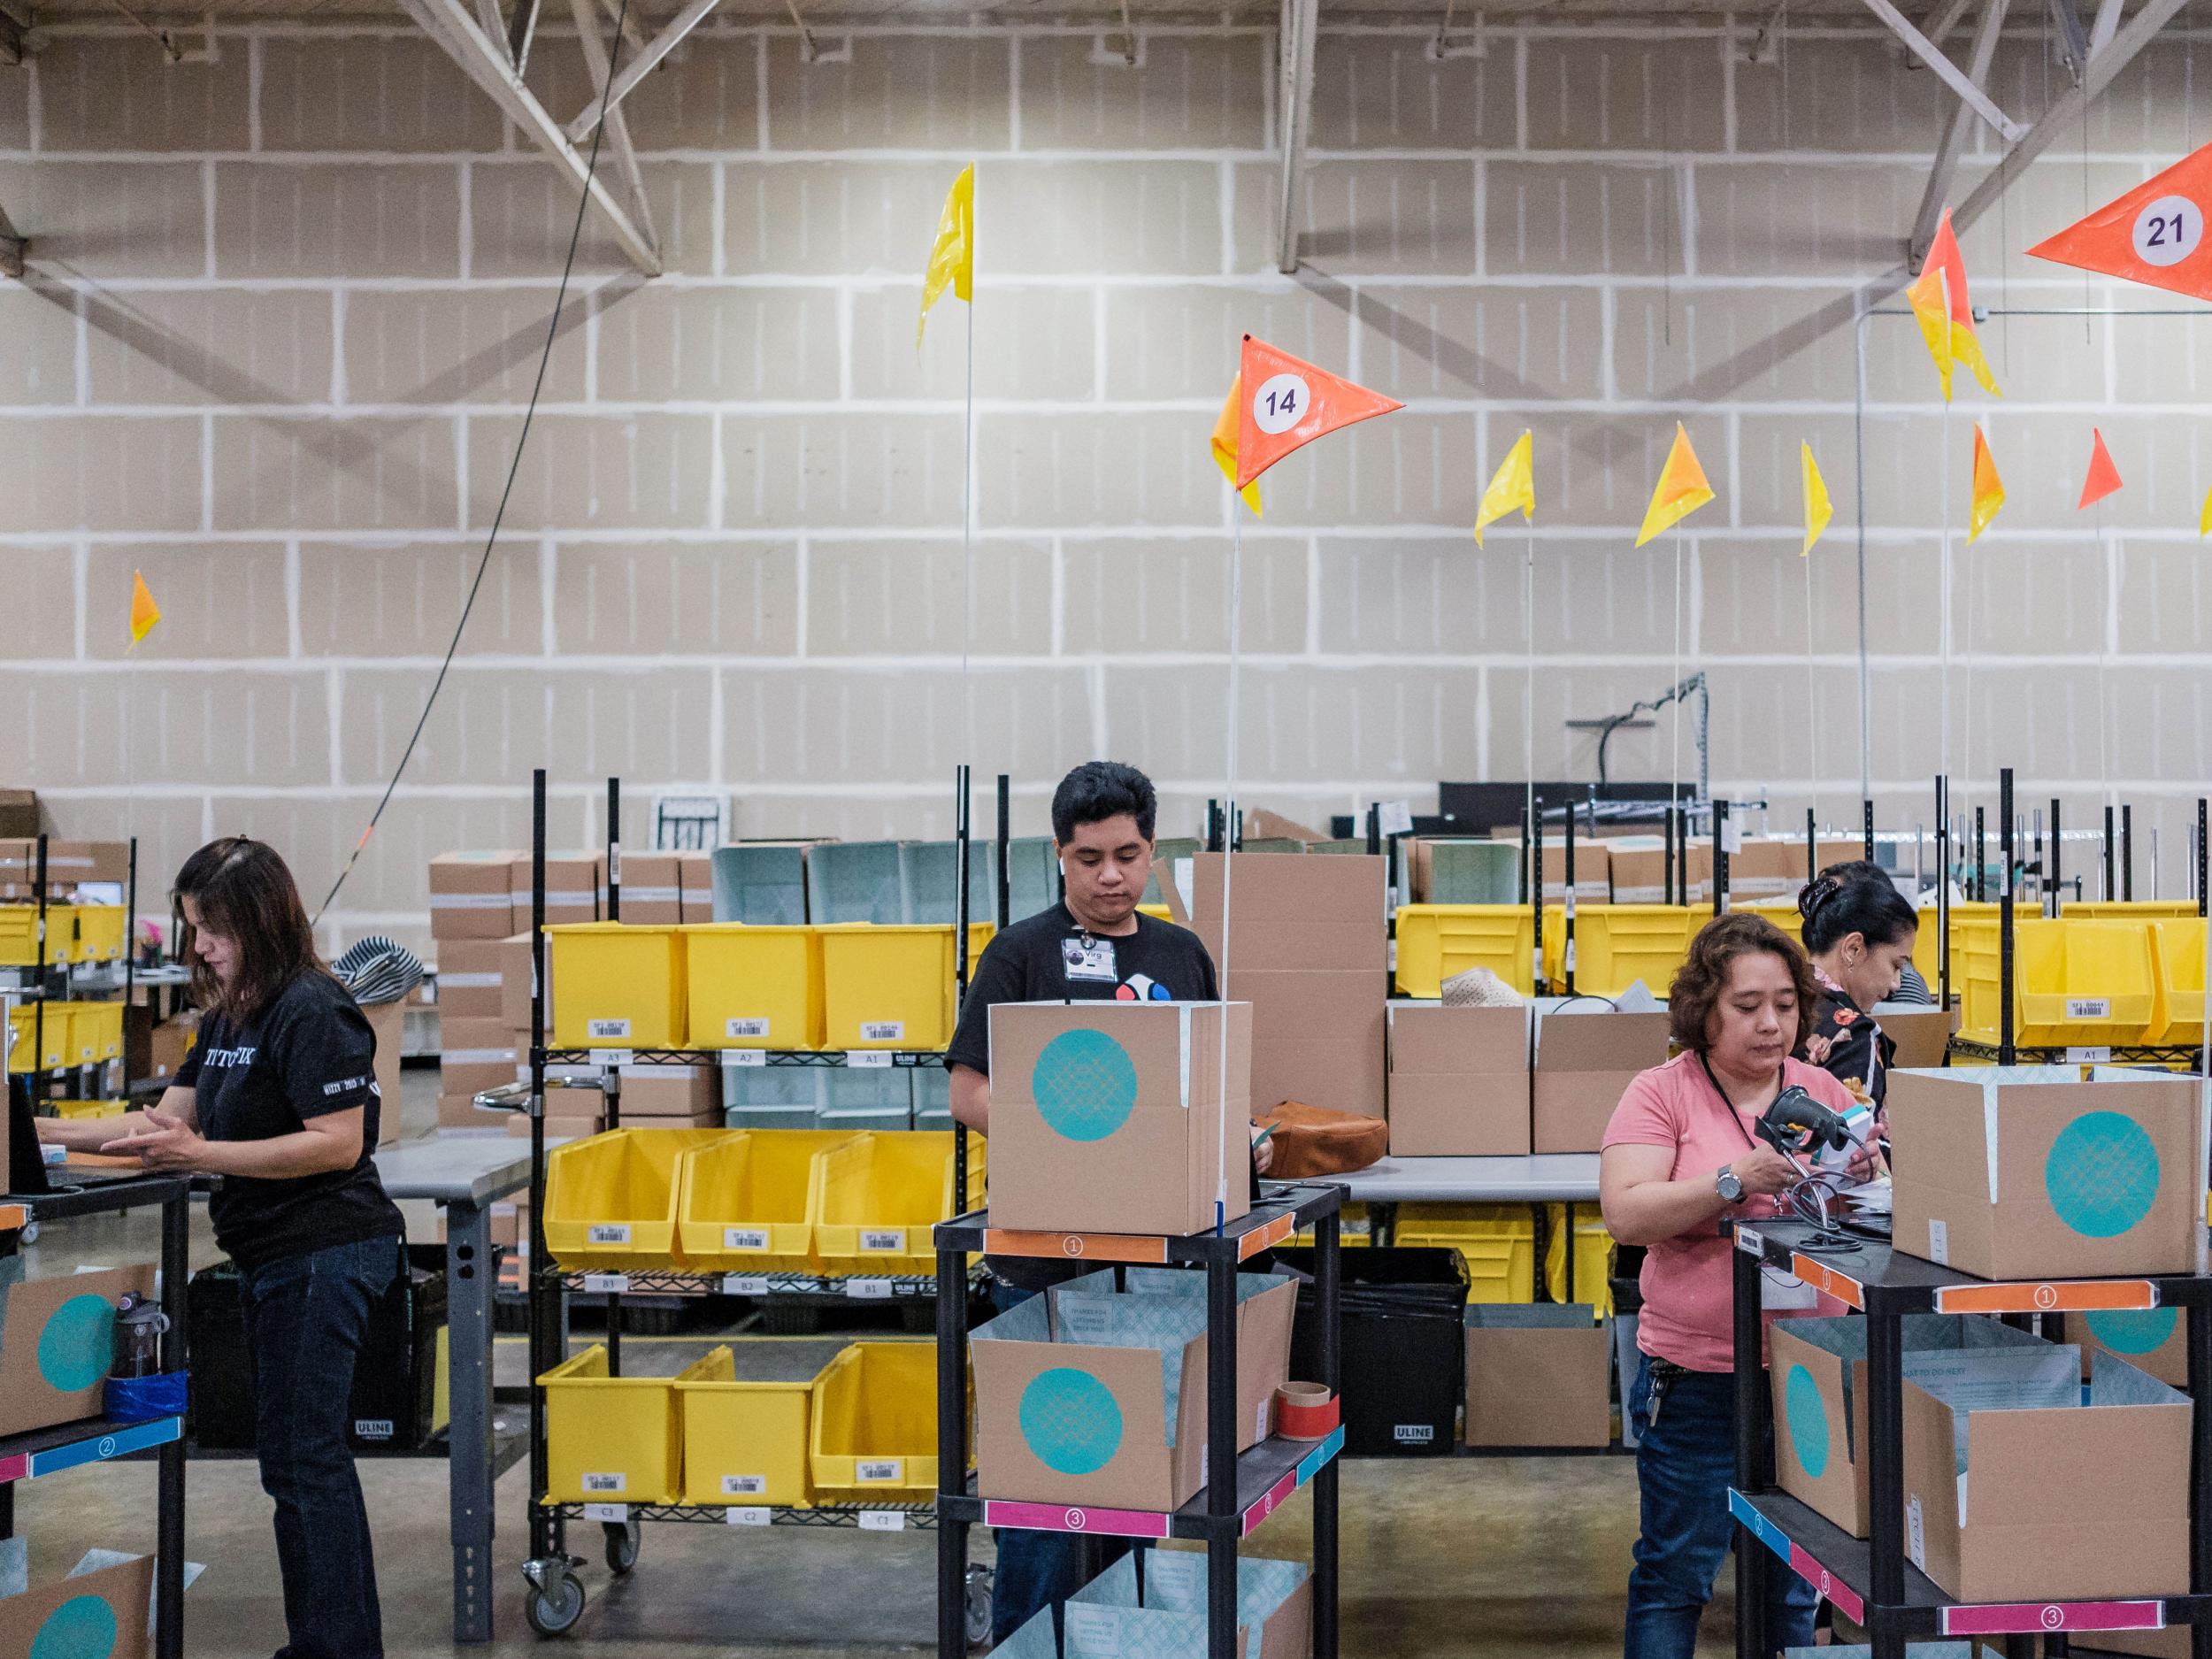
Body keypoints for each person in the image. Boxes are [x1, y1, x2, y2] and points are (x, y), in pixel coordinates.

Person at [42, 838, 404, 1659]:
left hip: (326, 1250)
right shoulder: (229, 1016)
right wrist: (39, 1131)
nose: (199, 945)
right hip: (274, 1256)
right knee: (290, 1460)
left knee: (306, 1461)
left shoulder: (314, 1008)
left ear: (258, 921)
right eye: (193, 927)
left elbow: (336, 1143)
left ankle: (337, 1649)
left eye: (212, 928)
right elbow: (161, 1125)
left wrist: (202, 1157)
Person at [946, 761, 1271, 1645]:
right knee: (1050, 1492)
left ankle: (1117, 1636)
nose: (1110, 877)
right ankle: (1026, 1640)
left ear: (1151, 850)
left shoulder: (1180, 953)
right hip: (1041, 1269)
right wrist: (1067, 1137)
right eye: (1088, 858)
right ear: (1059, 855)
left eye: (1127, 855)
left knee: (1152, 1485)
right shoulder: (1019, 953)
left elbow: (1208, 1090)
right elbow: (967, 1092)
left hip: (1158, 1272)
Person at [1598, 913, 1874, 1659]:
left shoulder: (1819, 1087)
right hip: (1698, 1379)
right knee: (1676, 1573)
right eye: (1747, 1005)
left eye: (1785, 1004)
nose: (1771, 1023)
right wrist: (1733, 1179)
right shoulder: (1664, 1092)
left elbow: (1858, 1219)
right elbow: (1626, 1212)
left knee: (1791, 1579)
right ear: (1704, 1009)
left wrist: (1865, 1178)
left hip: (1805, 1372)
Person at [1794, 860, 1921, 1113]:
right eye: (1896, 965)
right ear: (1854, 949)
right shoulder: (1852, 1037)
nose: (1896, 984)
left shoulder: (1782, 1000)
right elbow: (1856, 1146)